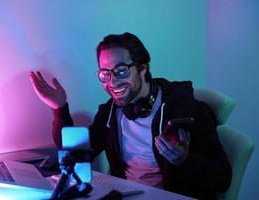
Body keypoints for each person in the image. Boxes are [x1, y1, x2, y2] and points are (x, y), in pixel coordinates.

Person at [29, 32, 232, 200]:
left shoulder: (187, 110)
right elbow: (77, 155)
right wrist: (60, 108)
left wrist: (186, 160)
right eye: (105, 73)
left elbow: (223, 179)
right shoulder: (112, 110)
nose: (113, 82)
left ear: (143, 68)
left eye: (121, 71)